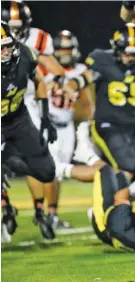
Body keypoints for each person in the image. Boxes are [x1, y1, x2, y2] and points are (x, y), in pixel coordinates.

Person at [1, 21, 56, 240]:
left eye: (7, 45)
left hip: (19, 119)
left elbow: (39, 79)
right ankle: (6, 208)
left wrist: (45, 116)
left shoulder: (24, 55)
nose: (5, 51)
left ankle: (10, 161)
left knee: (47, 172)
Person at [85, 23, 135, 189]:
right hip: (108, 124)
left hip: (132, 127)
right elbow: (84, 77)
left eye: (134, 54)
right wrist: (70, 87)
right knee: (126, 165)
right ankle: (109, 207)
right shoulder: (103, 60)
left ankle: (132, 210)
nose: (129, 58)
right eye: (125, 53)